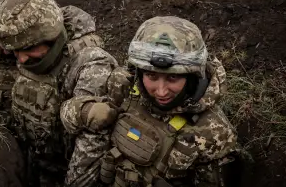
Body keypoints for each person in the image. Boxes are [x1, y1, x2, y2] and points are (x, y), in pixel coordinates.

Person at [0, 0, 131, 187]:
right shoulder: (26, 45)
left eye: (28, 49)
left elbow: (90, 146)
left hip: (63, 171)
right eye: (15, 51)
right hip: (34, 162)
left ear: (52, 38)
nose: (21, 58)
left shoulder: (90, 65)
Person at [95, 16, 243, 186]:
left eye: (173, 77)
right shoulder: (123, 86)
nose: (161, 91)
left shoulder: (214, 133)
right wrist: (83, 110)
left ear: (192, 76)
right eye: (151, 75)